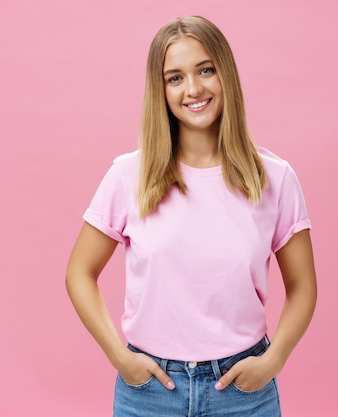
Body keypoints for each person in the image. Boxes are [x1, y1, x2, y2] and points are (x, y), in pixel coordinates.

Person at [66, 15, 317, 417]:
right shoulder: (129, 175)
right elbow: (79, 272)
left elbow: (303, 286)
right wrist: (119, 356)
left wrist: (274, 361)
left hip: (243, 392)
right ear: (160, 90)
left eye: (205, 70)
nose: (194, 89)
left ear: (226, 75)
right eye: (175, 78)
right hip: (149, 392)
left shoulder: (275, 178)